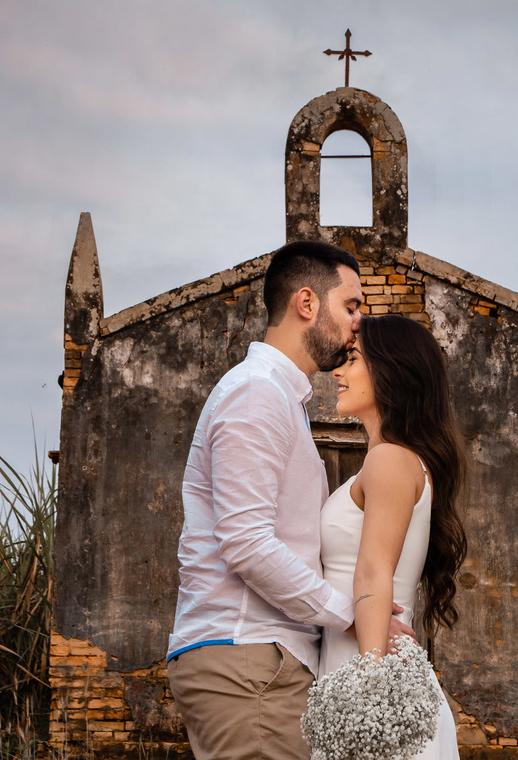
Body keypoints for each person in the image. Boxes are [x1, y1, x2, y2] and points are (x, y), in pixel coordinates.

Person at [166, 240, 413, 759]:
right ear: (307, 304)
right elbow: (246, 543)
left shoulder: (281, 399)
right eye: (350, 307)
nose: (356, 325)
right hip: (248, 660)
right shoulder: (256, 394)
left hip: (263, 663)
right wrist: (351, 613)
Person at [319, 314, 468, 759]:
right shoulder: (398, 461)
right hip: (373, 671)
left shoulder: (389, 460)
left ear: (391, 373)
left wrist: (369, 690)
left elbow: (372, 570)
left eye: (354, 360)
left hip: (372, 677)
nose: (339, 373)